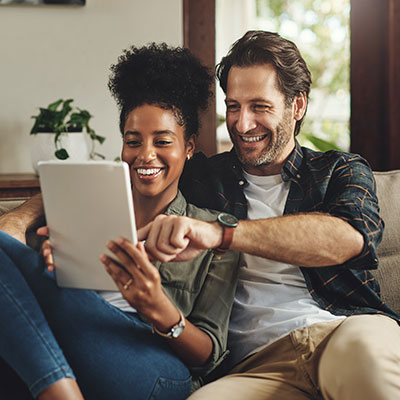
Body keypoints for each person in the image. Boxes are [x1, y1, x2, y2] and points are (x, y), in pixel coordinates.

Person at [136, 31, 400, 400]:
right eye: (233, 106)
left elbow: (350, 239)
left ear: (297, 106)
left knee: (365, 361)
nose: (242, 125)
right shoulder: (202, 178)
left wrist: (222, 234)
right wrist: (26, 216)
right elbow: (125, 174)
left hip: (344, 333)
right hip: (255, 365)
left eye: (260, 106)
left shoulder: (340, 170)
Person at [0, 43, 239, 399]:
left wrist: (157, 306)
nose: (145, 155)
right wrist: (51, 265)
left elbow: (210, 355)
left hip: (154, 368)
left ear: (188, 147)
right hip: (73, 345)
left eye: (162, 141)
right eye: (133, 141)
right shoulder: (82, 207)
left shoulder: (210, 233)